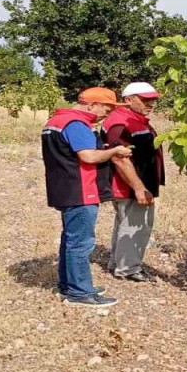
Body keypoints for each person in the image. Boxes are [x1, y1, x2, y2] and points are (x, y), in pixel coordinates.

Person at [41, 87, 132, 307]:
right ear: (91, 105)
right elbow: (88, 156)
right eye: (106, 108)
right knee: (81, 243)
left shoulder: (56, 121)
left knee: (70, 240)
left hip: (63, 188)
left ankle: (68, 286)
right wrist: (115, 151)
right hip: (81, 190)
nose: (108, 113)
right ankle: (80, 293)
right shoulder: (76, 124)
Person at [104, 81, 165, 283]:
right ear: (129, 100)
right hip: (129, 185)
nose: (151, 103)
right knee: (136, 226)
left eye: (153, 99)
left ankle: (118, 263)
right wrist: (139, 188)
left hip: (136, 183)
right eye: (145, 99)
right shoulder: (121, 122)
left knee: (126, 223)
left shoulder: (134, 119)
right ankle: (128, 269)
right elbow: (119, 158)